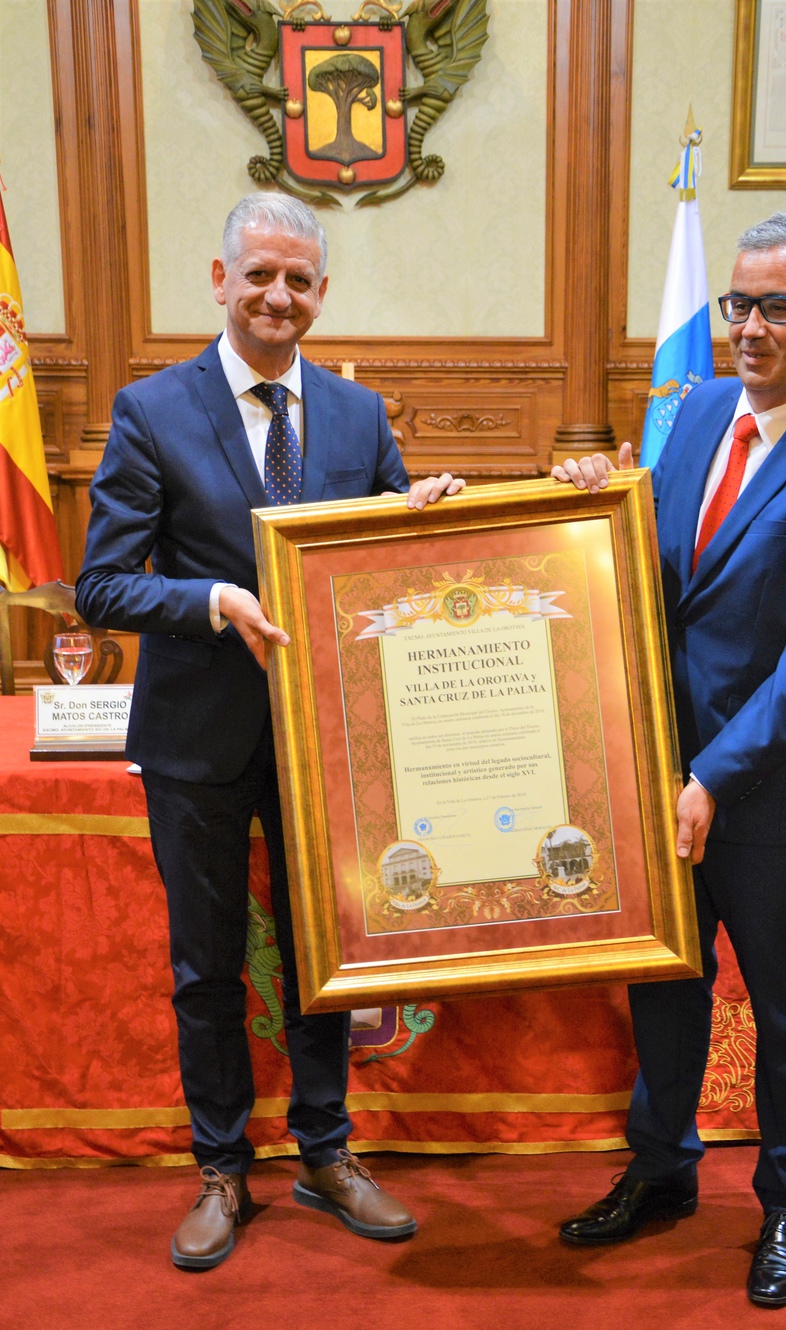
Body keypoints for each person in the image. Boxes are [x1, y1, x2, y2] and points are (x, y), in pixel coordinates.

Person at [75, 193, 463, 1271]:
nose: (278, 296)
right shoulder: (151, 409)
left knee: (322, 956)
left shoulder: (355, 413)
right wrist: (212, 602)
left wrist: (426, 514)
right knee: (205, 966)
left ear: (320, 294)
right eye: (260, 276)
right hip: (197, 735)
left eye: (298, 280)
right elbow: (103, 585)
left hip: (329, 739)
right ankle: (218, 1168)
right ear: (219, 277)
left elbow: (381, 563)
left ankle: (327, 1152)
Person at [551, 213, 786, 1307]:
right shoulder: (699, 409)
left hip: (763, 796)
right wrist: (587, 505)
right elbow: (663, 570)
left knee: (781, 1006)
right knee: (662, 987)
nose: (746, 328)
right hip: (661, 774)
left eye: (774, 307)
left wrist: (714, 776)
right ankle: (660, 1170)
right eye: (736, 304)